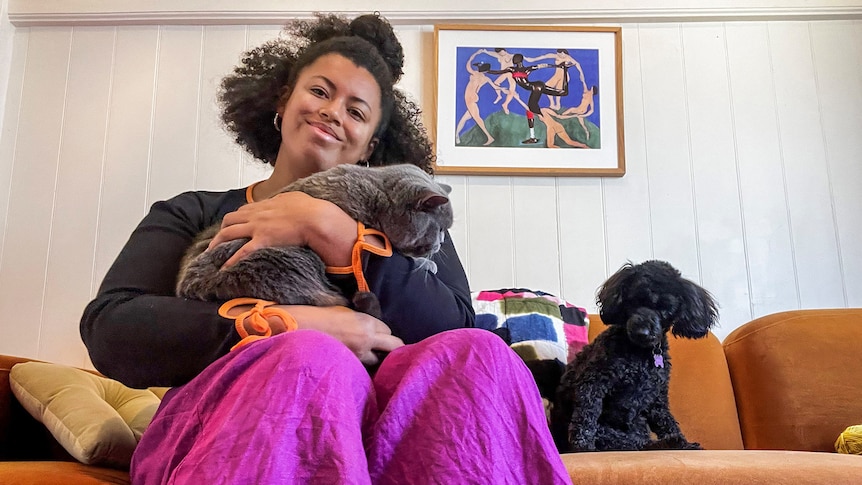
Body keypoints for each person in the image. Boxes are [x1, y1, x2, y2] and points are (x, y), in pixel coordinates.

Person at [79, 12, 572, 485]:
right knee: (312, 357)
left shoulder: (413, 220)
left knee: (480, 352)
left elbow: (457, 331)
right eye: (319, 91)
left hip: (399, 437)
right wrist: (287, 324)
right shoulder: (194, 212)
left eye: (356, 111)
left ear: (370, 149)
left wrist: (334, 233)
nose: (332, 112)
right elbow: (112, 329)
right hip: (235, 422)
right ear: (280, 102)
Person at [489, 53, 570, 144]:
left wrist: (559, 66)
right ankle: (533, 136)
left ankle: (534, 136)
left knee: (532, 110)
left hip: (535, 87)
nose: (514, 60)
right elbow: (497, 72)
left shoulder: (516, 69)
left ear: (518, 60)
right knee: (563, 93)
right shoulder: (514, 69)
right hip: (537, 86)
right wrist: (487, 70)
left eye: (515, 58)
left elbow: (542, 65)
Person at [455, 49, 503, 145]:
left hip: (470, 98)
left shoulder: (475, 74)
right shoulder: (485, 78)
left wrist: (475, 54)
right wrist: (501, 91)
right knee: (465, 118)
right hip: (472, 97)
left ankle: (489, 137)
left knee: (477, 118)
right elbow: (495, 87)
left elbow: (468, 64)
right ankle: (456, 135)